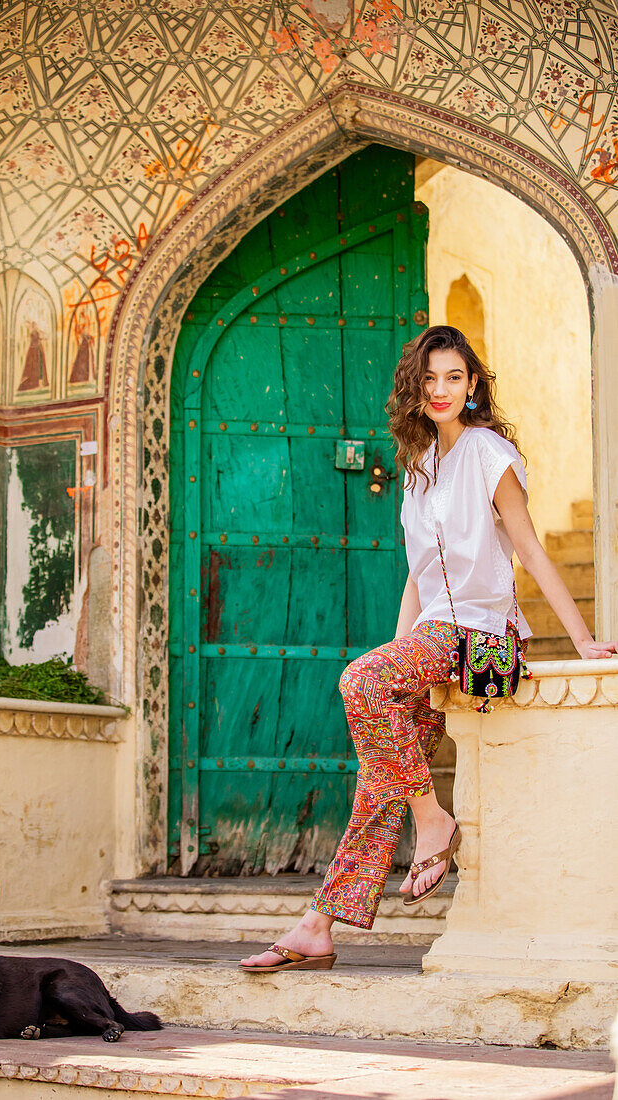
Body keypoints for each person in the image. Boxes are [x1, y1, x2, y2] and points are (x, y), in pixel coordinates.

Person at [240, 324, 617, 973]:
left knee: (360, 681)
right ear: (413, 390)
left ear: (471, 386)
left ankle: (432, 823)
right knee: (379, 771)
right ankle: (316, 925)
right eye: (429, 378)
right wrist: (399, 654)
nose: (440, 389)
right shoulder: (418, 470)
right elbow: (418, 574)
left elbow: (526, 548)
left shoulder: (487, 452)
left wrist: (582, 638)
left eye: (453, 377)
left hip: (485, 642)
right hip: (435, 640)